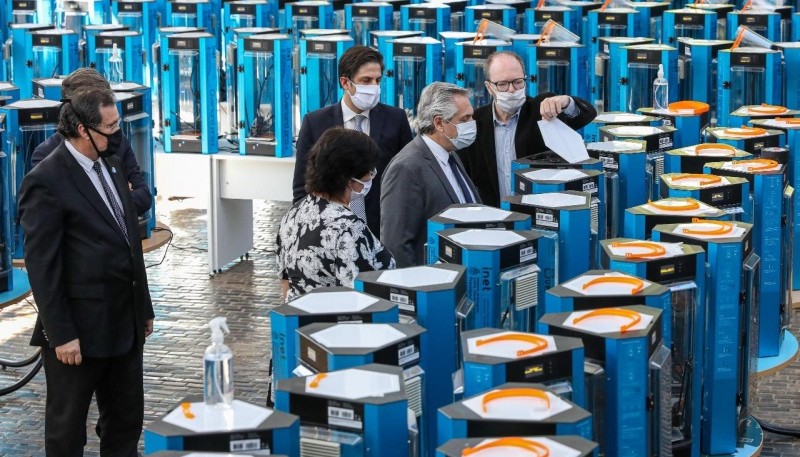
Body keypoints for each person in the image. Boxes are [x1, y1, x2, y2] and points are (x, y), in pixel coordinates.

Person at [18, 87, 154, 457]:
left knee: (126, 423)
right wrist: (61, 334)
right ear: (82, 128)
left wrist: (143, 307)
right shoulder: (46, 180)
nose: (118, 135)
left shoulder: (110, 163)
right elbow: (42, 267)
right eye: (110, 128)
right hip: (77, 337)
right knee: (67, 433)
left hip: (124, 327)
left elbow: (129, 242)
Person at [292, 45, 413, 236]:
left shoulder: (395, 119)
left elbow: (408, 176)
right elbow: (302, 187)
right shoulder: (315, 123)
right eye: (366, 80)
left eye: (378, 80)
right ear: (345, 83)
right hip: (330, 232)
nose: (373, 87)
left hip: (383, 229)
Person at [458, 51, 597, 207]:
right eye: (502, 84)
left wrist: (566, 102)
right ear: (489, 87)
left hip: (538, 211)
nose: (511, 90)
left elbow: (587, 114)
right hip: (493, 213)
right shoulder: (475, 123)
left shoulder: (541, 111)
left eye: (518, 82)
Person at [278, 127, 395, 302]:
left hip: (304, 322)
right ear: (349, 178)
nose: (371, 178)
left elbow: (286, 283)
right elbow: (360, 298)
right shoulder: (348, 227)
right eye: (369, 172)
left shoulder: (293, 214)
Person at [380, 82, 481, 268]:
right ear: (439, 123)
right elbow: (396, 244)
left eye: (471, 118)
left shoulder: (451, 154)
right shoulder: (406, 168)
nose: (471, 125)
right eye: (464, 119)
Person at [31, 67, 152, 217]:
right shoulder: (46, 155)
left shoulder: (117, 142)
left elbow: (144, 197)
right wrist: (121, 194)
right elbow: (57, 216)